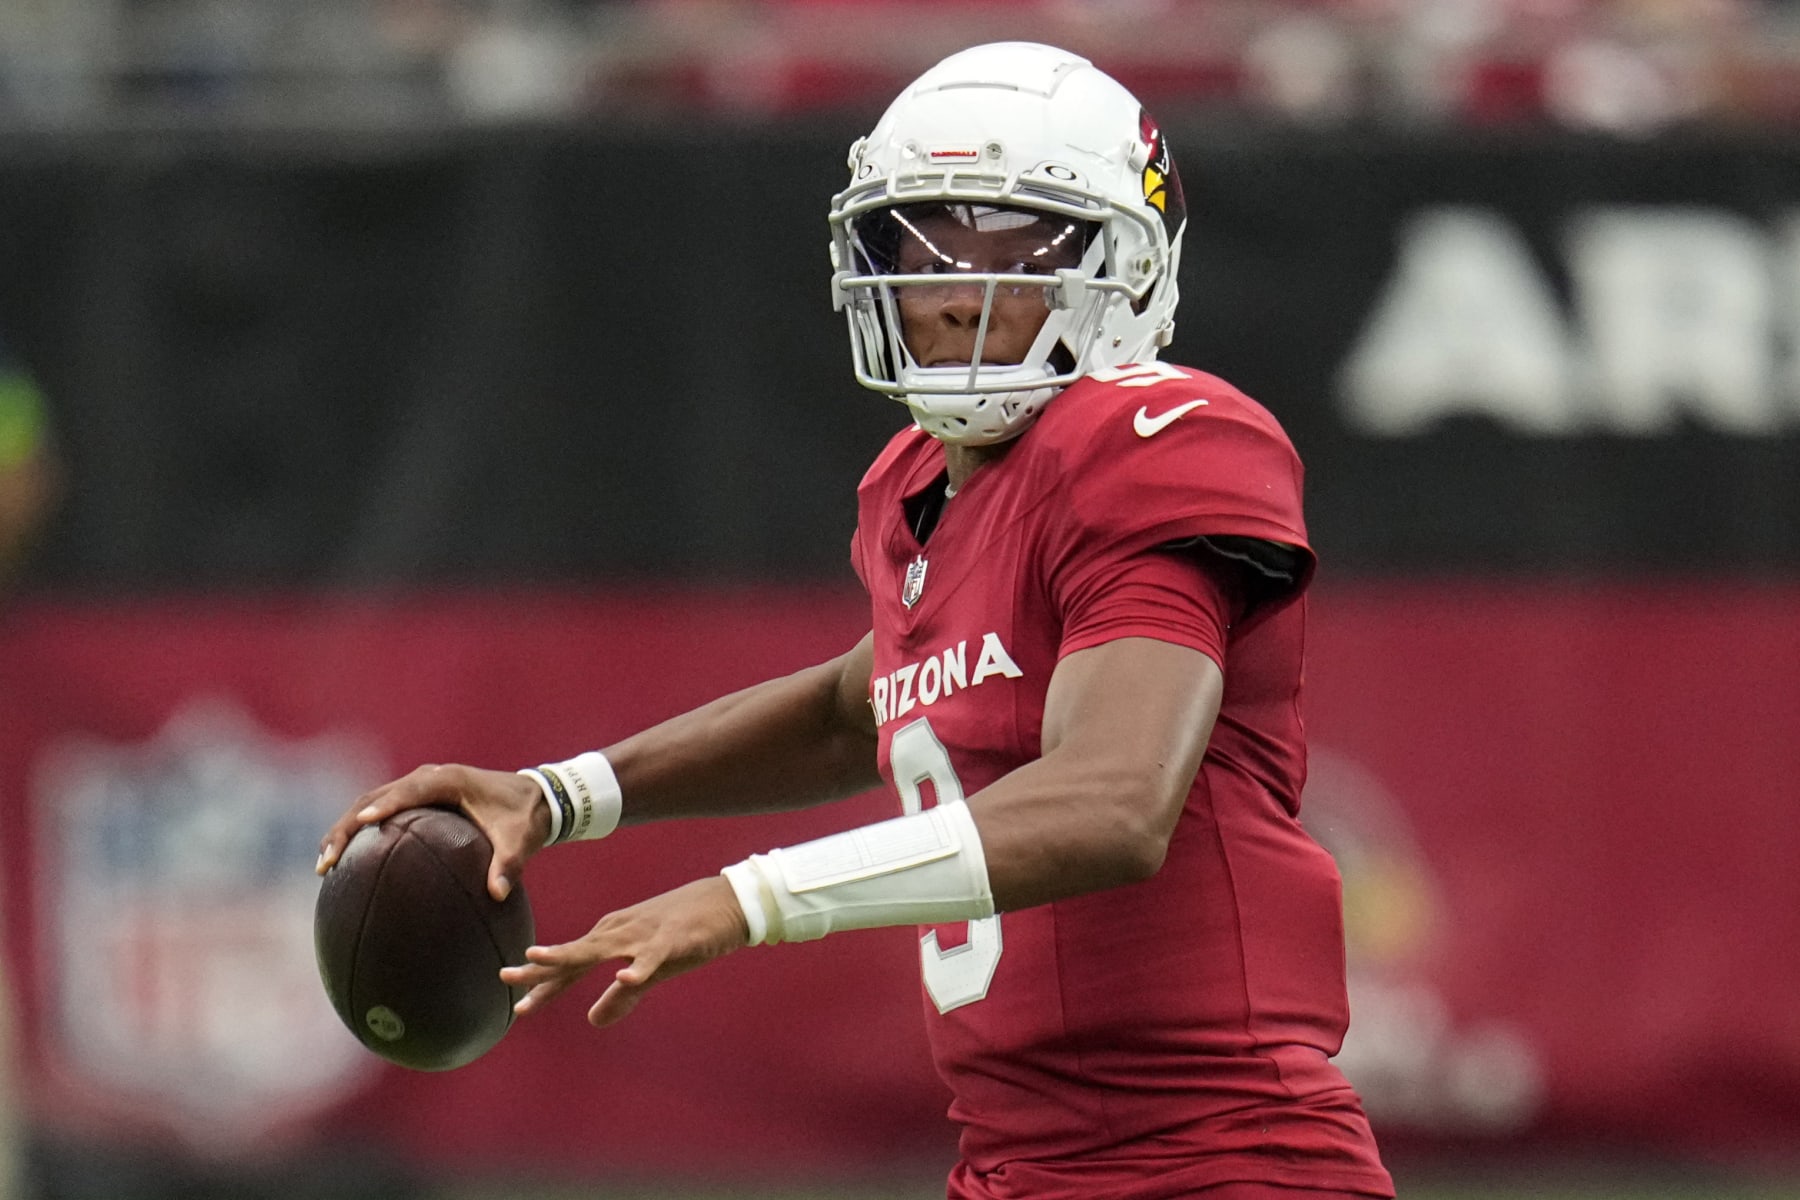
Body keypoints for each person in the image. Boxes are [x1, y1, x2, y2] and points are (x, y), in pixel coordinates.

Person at [318, 41, 1394, 1199]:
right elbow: (859, 703)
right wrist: (560, 794)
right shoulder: (918, 483)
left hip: (1221, 1159)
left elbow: (1117, 802)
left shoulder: (1160, 440)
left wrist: (750, 900)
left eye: (1006, 244)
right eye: (916, 241)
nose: (942, 288)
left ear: (1125, 261)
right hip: (1017, 1163)